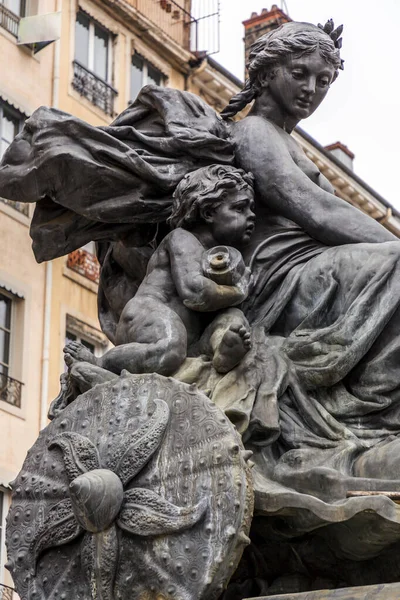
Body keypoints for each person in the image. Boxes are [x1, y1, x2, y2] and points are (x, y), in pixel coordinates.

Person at [64, 164, 254, 378]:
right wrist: (238, 291)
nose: (251, 215)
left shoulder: (217, 255)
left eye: (251, 208)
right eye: (240, 208)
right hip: (147, 314)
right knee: (171, 346)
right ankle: (102, 362)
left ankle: (222, 349)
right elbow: (195, 292)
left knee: (234, 316)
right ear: (208, 212)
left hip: (189, 337)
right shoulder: (182, 238)